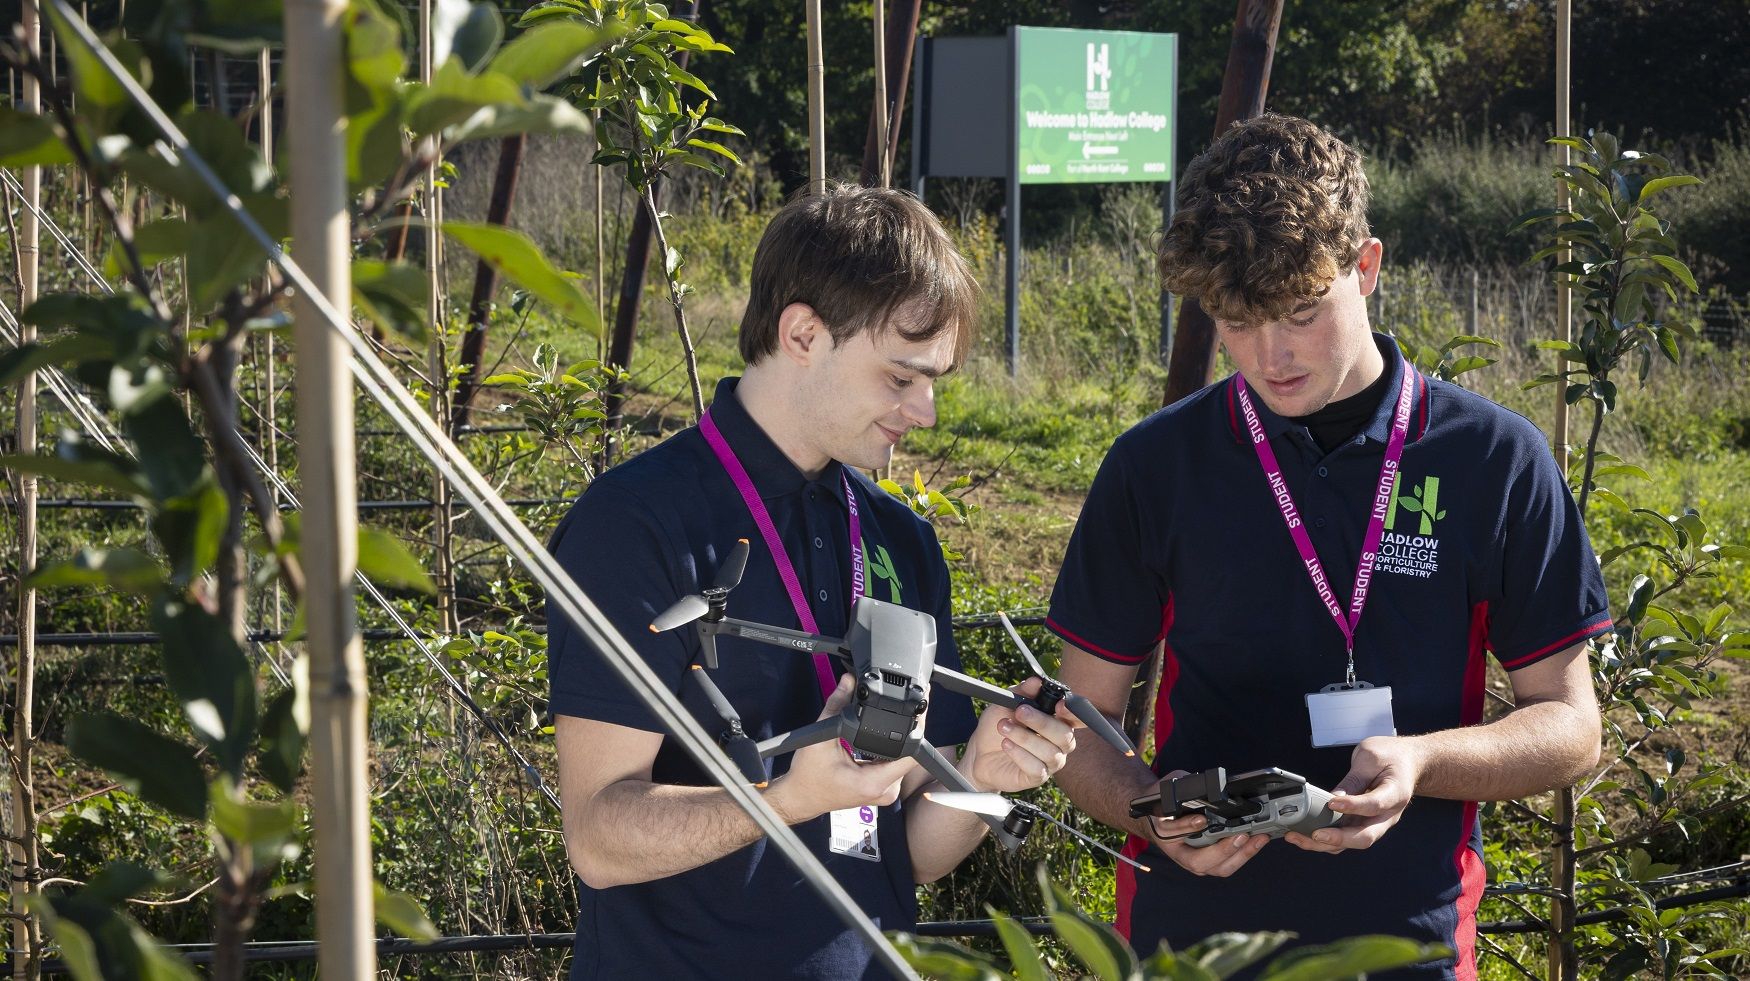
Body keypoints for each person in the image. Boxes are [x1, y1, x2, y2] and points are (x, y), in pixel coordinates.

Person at [1044, 114, 1610, 977]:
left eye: (1301, 312)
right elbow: (1079, 724)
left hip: (1409, 941)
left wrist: (1421, 761)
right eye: (1235, 319)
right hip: (1192, 943)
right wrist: (1146, 809)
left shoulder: (1491, 457)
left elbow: (1572, 726)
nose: (1270, 356)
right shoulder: (1154, 465)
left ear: (1367, 267)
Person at [546, 184, 1079, 980]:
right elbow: (597, 838)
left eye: (935, 379)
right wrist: (788, 796)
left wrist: (981, 778)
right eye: (901, 378)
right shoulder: (634, 525)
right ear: (802, 333)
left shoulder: (901, 539)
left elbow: (907, 854)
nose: (927, 410)